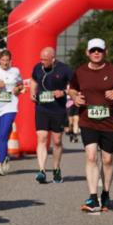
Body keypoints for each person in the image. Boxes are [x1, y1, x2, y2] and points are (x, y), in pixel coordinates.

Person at [68, 38, 113, 212]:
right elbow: (72, 88)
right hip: (87, 120)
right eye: (93, 50)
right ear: (87, 53)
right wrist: (75, 97)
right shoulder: (80, 71)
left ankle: (105, 193)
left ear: (105, 52)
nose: (96, 53)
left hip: (109, 121)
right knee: (90, 156)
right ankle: (92, 197)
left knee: (107, 159)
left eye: (100, 50)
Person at [29, 47, 73, 184]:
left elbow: (74, 86)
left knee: (57, 141)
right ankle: (41, 170)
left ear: (53, 59)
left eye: (45, 60)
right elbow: (34, 80)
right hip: (42, 108)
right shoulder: (38, 68)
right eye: (41, 59)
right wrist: (32, 92)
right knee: (42, 138)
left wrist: (64, 92)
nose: (42, 62)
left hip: (58, 110)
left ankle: (56, 169)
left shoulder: (65, 69)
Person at [0, 49, 23, 176]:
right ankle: (5, 155)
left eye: (7, 60)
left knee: (3, 134)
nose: (5, 63)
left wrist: (17, 88)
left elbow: (21, 85)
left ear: (10, 61)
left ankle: (0, 164)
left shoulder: (15, 71)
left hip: (10, 106)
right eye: (3, 60)